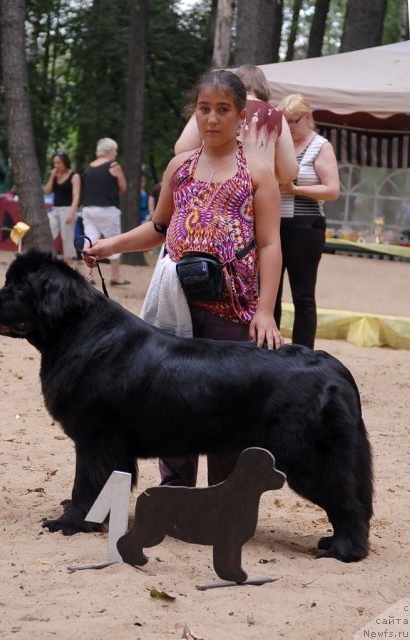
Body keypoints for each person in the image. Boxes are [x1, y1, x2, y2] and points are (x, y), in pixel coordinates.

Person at [83, 69, 283, 487]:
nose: (212, 119)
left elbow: (269, 245)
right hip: (175, 302)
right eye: (204, 109)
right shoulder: (180, 168)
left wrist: (265, 312)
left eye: (223, 110)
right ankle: (175, 493)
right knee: (168, 400)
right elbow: (157, 228)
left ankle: (224, 498)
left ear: (241, 116)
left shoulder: (259, 173)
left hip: (232, 306)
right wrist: (109, 245)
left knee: (228, 404)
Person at [275, 93, 340, 349]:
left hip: (306, 225)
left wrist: (296, 190)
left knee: (302, 295)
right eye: (285, 121)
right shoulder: (277, 144)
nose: (289, 126)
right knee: (270, 295)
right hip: (274, 224)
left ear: (308, 118)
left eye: (294, 121)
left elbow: (332, 190)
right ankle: (269, 351)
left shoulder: (320, 146)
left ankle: (303, 353)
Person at [174, 64, 298, 185]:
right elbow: (290, 172)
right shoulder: (275, 115)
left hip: (213, 190)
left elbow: (182, 150)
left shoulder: (210, 109)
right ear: (264, 88)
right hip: (259, 195)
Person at [82, 137, 129, 285]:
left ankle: (88, 275)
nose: (116, 153)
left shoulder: (89, 167)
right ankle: (115, 276)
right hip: (107, 209)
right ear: (109, 150)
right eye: (115, 150)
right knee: (113, 239)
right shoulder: (113, 165)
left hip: (88, 209)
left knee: (89, 241)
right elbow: (123, 187)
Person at [43, 152, 81, 262]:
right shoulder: (54, 176)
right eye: (54, 163)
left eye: (59, 163)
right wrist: (51, 177)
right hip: (55, 209)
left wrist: (71, 213)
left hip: (68, 209)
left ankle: (68, 264)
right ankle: (46, 257)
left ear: (65, 162)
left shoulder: (74, 176)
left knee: (67, 238)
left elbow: (76, 196)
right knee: (49, 232)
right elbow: (46, 191)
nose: (56, 165)